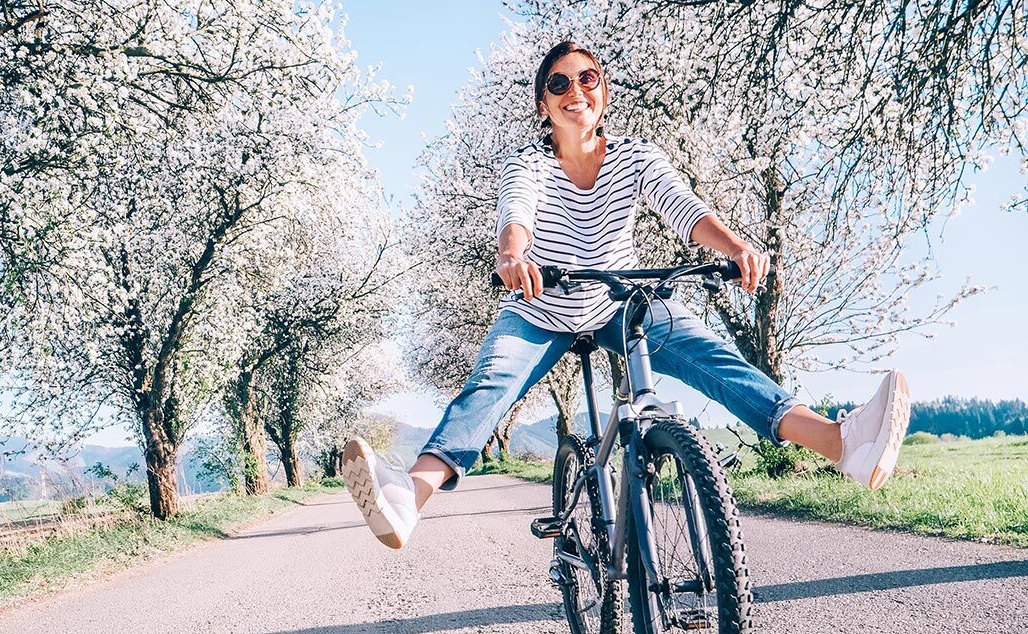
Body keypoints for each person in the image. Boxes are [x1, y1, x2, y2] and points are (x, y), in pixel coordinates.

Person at [342, 41, 911, 550]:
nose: (575, 91)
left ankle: (841, 444)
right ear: (544, 104)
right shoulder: (530, 164)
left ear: (604, 94)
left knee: (714, 358)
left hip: (620, 302)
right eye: (559, 84)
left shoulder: (636, 158)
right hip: (541, 308)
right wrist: (513, 256)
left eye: (587, 79)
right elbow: (516, 215)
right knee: (490, 384)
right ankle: (407, 498)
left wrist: (735, 247)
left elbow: (684, 208)